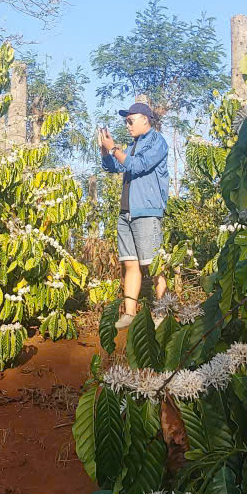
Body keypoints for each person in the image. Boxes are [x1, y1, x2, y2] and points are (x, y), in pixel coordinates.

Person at [98, 101, 169, 330]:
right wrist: (105, 150)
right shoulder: (133, 145)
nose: (127, 125)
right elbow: (115, 167)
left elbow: (137, 166)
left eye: (130, 120)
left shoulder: (157, 142)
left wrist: (115, 149)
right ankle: (129, 313)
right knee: (131, 264)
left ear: (145, 119)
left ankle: (162, 312)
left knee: (153, 265)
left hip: (146, 212)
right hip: (126, 213)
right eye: (125, 121)